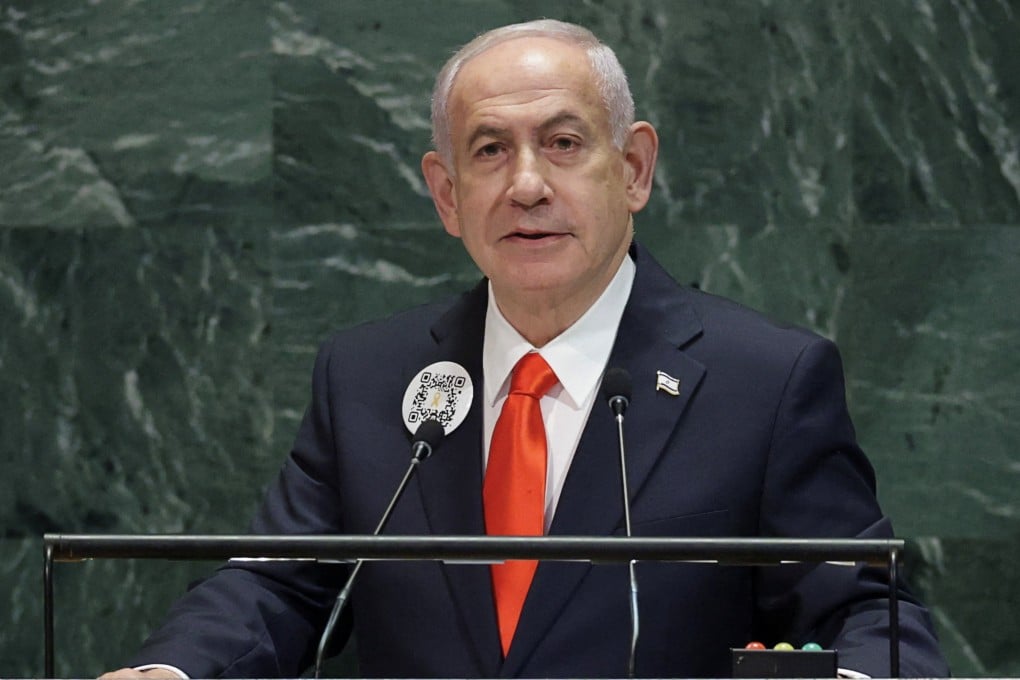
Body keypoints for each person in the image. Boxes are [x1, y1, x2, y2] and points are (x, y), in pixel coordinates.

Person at [102, 19, 948, 679]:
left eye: (564, 143)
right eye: (490, 150)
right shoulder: (368, 377)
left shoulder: (763, 381)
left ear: (634, 169)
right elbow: (278, 584)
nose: (528, 184)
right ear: (447, 194)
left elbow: (864, 613)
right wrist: (173, 671)